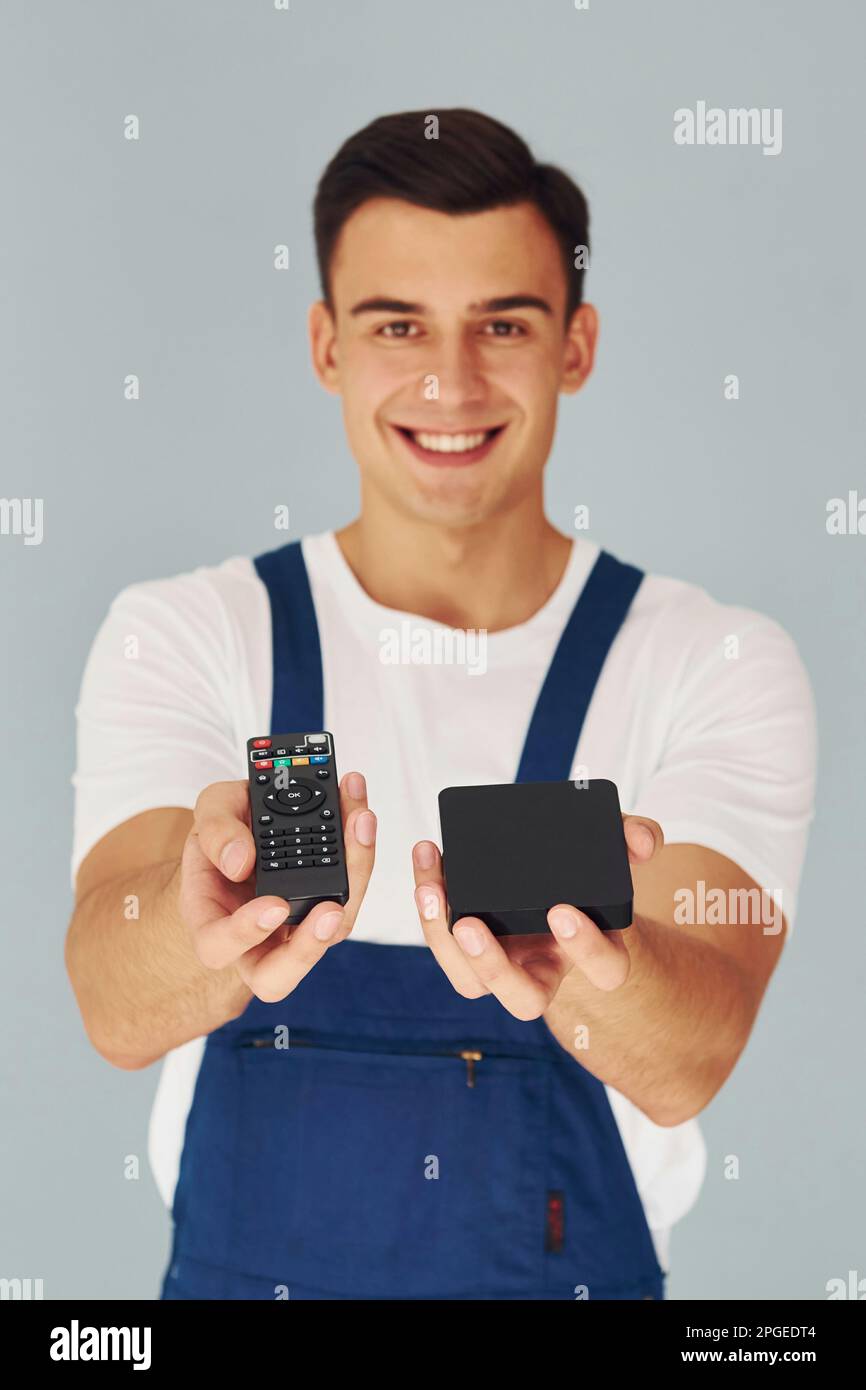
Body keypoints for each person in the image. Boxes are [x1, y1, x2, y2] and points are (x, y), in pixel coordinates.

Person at [66, 108, 817, 1301]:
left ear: (575, 345)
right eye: (396, 324)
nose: (447, 381)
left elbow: (688, 1059)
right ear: (325, 345)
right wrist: (195, 919)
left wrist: (582, 972)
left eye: (502, 325)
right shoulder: (192, 633)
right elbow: (114, 1002)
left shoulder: (710, 659)